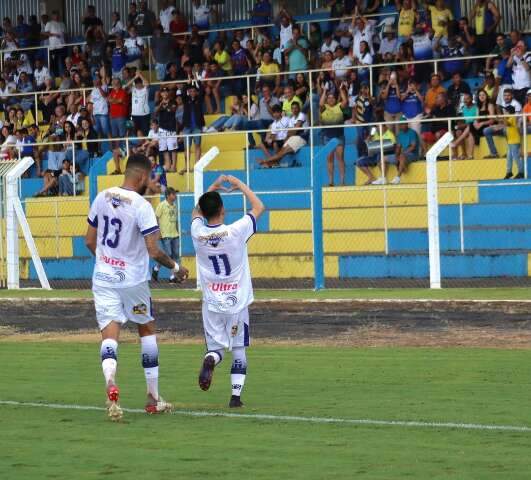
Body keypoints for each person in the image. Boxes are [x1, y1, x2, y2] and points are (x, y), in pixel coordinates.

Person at [85, 154, 189, 421]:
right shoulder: (142, 206)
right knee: (147, 329)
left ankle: (110, 382)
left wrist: (107, 261)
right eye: (150, 177)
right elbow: (153, 250)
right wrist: (176, 268)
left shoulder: (102, 196)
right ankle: (153, 397)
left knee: (109, 334)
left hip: (104, 278)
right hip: (132, 281)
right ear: (142, 177)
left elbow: (89, 241)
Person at [192, 174, 265, 408]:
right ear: (222, 210)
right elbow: (258, 206)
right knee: (238, 349)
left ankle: (210, 359)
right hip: (236, 301)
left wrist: (212, 188)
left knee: (216, 349)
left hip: (212, 302)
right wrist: (239, 184)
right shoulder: (236, 231)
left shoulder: (198, 233)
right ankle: (235, 398)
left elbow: (196, 213)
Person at [258, 101, 308, 167]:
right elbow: (290, 131)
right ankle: (272, 162)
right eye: (293, 108)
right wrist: (287, 136)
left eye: (296, 108)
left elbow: (295, 130)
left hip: (300, 137)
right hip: (290, 138)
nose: (294, 110)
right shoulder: (291, 119)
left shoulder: (299, 115)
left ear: (299, 108)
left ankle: (267, 161)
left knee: (280, 151)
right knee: (279, 151)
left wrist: (288, 136)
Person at [320, 84, 348, 186]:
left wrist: (341, 90)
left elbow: (345, 101)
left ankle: (342, 181)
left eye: (332, 98)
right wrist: (324, 91)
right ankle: (331, 181)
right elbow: (320, 103)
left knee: (340, 159)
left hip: (339, 137)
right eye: (329, 97)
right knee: (330, 159)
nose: (330, 99)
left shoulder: (339, 107)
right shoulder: (324, 108)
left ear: (336, 99)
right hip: (327, 138)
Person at [152, 187, 180, 283]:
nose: (175, 196)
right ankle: (156, 268)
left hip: (175, 234)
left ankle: (172, 277)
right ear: (168, 195)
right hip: (165, 234)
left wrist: (178, 230)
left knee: (176, 256)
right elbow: (156, 218)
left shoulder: (175, 205)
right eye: (173, 194)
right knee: (168, 255)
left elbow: (175, 219)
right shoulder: (162, 205)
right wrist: (158, 231)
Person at [388, 119, 420, 184]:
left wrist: (402, 154)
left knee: (402, 156)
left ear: (407, 124)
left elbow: (413, 147)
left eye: (404, 124)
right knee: (384, 158)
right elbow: (398, 147)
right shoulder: (400, 134)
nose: (402, 126)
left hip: (413, 154)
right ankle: (383, 178)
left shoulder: (412, 132)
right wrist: (396, 155)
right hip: (403, 155)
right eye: (401, 124)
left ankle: (398, 177)